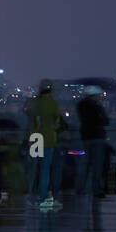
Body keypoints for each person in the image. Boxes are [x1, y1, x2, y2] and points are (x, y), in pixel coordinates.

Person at [28, 80, 65, 212]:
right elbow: (57, 122)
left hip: (34, 138)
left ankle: (31, 195)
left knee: (33, 168)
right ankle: (43, 197)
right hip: (48, 138)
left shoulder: (35, 103)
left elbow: (30, 117)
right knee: (45, 169)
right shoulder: (53, 104)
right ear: (51, 90)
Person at [76, 87, 109, 198]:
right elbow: (105, 121)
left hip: (85, 137)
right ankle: (97, 190)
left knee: (84, 165)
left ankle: (80, 189)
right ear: (94, 95)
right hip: (97, 137)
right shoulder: (98, 107)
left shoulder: (81, 105)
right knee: (97, 166)